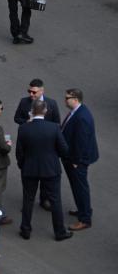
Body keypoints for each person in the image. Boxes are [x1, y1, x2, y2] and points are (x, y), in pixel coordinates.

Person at [16, 100, 72, 241]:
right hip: (51, 169)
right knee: (55, 200)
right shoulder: (54, 127)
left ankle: (25, 230)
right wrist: (53, 157)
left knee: (28, 200)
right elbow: (64, 150)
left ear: (31, 112)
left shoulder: (23, 128)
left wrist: (23, 165)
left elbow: (19, 153)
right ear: (45, 111)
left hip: (30, 169)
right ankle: (60, 232)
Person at [61, 88, 99, 231]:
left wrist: (76, 161)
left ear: (75, 99)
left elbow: (81, 142)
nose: (65, 100)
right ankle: (83, 209)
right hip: (74, 158)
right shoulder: (77, 111)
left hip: (78, 160)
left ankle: (84, 219)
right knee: (78, 187)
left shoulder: (81, 117)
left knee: (80, 188)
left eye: (67, 98)